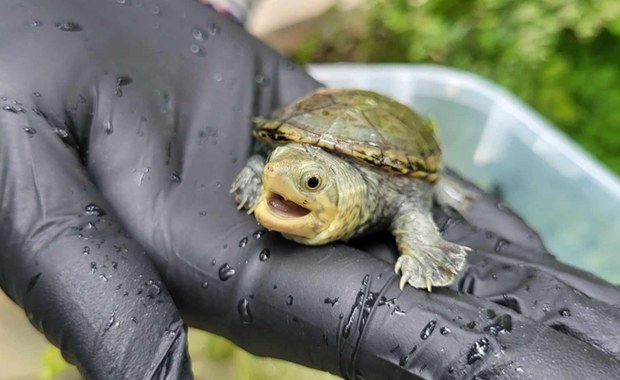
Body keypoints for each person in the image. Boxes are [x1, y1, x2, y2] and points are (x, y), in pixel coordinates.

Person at [0, 0, 619, 379]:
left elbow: (409, 200)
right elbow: (276, 159)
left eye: (311, 183)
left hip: (394, 153)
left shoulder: (377, 189)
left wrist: (421, 247)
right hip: (311, 117)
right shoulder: (279, 165)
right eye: (279, 173)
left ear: (341, 193)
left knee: (429, 202)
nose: (277, 181)